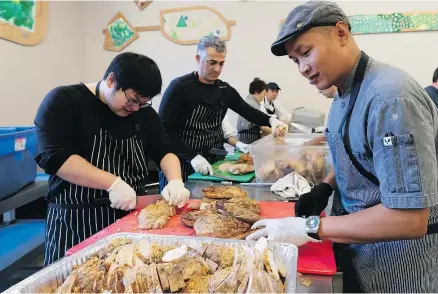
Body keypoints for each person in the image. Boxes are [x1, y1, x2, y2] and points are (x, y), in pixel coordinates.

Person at [247, 2, 438, 292]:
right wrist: (327, 187)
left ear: (341, 33)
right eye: (295, 61)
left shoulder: (390, 99)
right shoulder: (344, 92)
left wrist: (310, 228)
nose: (303, 68)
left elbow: (408, 218)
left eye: (306, 53)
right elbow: (358, 154)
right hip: (363, 250)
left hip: (403, 262)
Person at [35, 52, 190, 265]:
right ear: (111, 80)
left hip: (130, 221)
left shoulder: (143, 113)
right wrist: (113, 183)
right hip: (76, 223)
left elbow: (164, 150)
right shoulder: (64, 101)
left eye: (142, 103)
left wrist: (175, 180)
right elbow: (57, 158)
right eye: (132, 100)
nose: (135, 108)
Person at [158, 36, 287, 181]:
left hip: (214, 163)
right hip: (182, 164)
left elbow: (248, 111)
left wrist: (271, 120)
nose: (217, 69)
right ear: (198, 59)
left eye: (221, 64)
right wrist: (192, 156)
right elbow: (163, 129)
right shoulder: (180, 87)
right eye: (211, 63)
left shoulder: (224, 90)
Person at [237, 78, 274, 143]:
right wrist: (275, 130)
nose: (263, 97)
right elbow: (262, 126)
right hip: (247, 138)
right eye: (263, 94)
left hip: (248, 137)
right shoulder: (251, 104)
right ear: (257, 91)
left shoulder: (250, 102)